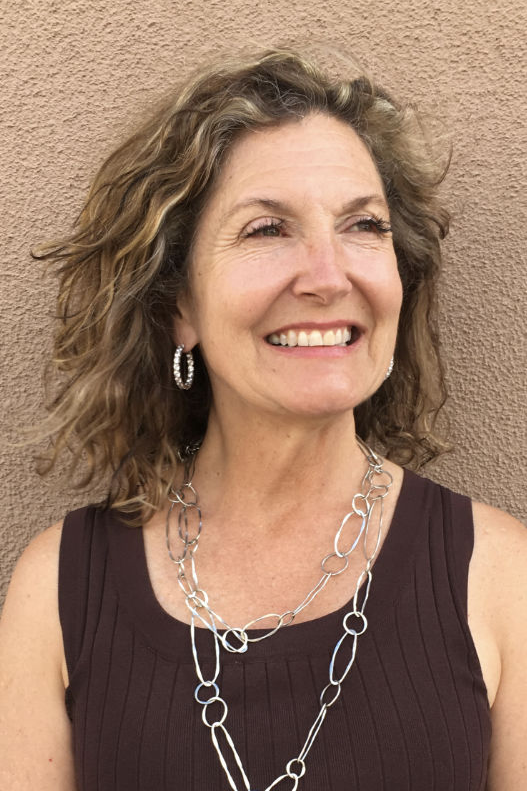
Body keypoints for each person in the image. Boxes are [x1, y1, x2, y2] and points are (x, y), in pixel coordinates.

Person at [0, 47, 525, 791]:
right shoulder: (59, 587)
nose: (327, 274)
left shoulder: (502, 580)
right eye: (266, 230)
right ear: (177, 304)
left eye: (363, 226)